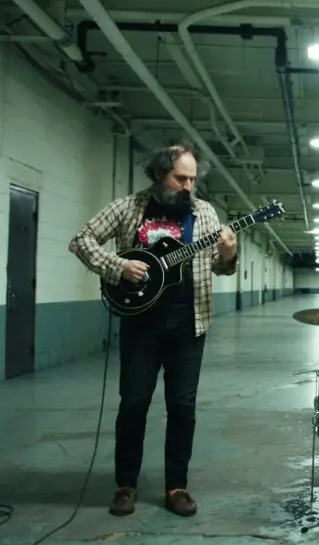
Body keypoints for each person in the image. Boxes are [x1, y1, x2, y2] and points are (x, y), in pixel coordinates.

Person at [68, 142, 238, 518]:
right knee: (133, 403)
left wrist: (228, 252)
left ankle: (177, 486)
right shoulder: (129, 207)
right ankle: (125, 485)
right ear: (160, 174)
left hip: (189, 323)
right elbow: (81, 240)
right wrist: (118, 267)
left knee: (182, 407)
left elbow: (221, 266)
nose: (188, 186)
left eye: (192, 179)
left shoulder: (204, 213)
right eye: (180, 178)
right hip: (140, 324)